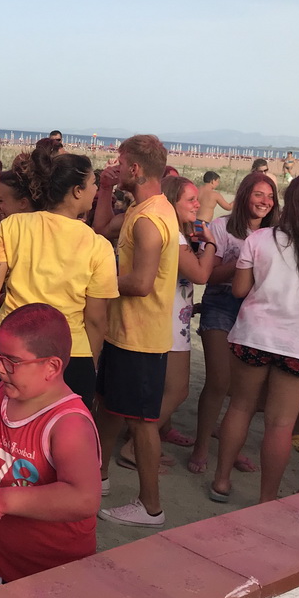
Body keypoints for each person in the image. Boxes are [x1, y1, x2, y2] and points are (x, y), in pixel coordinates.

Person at [210, 173, 299, 504]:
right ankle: (267, 499)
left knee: (240, 407)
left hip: (253, 335)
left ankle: (221, 480)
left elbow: (239, 290)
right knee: (281, 424)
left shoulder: (261, 238)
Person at [0, 304, 100, 596]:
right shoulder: (6, 391)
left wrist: (3, 500)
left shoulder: (69, 424)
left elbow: (84, 498)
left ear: (52, 367)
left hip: (42, 566)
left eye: (12, 361)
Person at [0, 152, 117, 408]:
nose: (95, 190)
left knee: (5, 422)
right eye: (93, 184)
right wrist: (89, 363)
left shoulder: (13, 225)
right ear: (77, 191)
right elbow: (95, 318)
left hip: (12, 346)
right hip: (69, 351)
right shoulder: (98, 245)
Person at [95, 135, 179, 528]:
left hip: (141, 337)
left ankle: (150, 506)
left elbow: (142, 283)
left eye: (120, 161)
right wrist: (104, 189)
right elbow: (100, 229)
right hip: (124, 331)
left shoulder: (149, 220)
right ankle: (97, 476)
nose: (114, 165)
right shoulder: (140, 208)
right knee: (110, 407)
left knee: (142, 423)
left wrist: (95, 284)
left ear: (135, 168)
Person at [119, 176, 217, 465]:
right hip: (169, 320)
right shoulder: (175, 236)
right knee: (177, 389)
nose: (197, 204)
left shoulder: (173, 232)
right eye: (190, 200)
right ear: (173, 202)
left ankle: (140, 440)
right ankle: (135, 446)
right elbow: (201, 275)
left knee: (161, 388)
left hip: (172, 316)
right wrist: (211, 245)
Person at [188, 172, 279, 475]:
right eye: (258, 194)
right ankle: (201, 445)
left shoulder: (276, 234)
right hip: (221, 303)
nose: (265, 201)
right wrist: (242, 262)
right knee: (218, 380)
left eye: (270, 196)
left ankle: (231, 447)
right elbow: (209, 276)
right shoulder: (222, 227)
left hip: (255, 308)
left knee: (244, 390)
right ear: (244, 196)